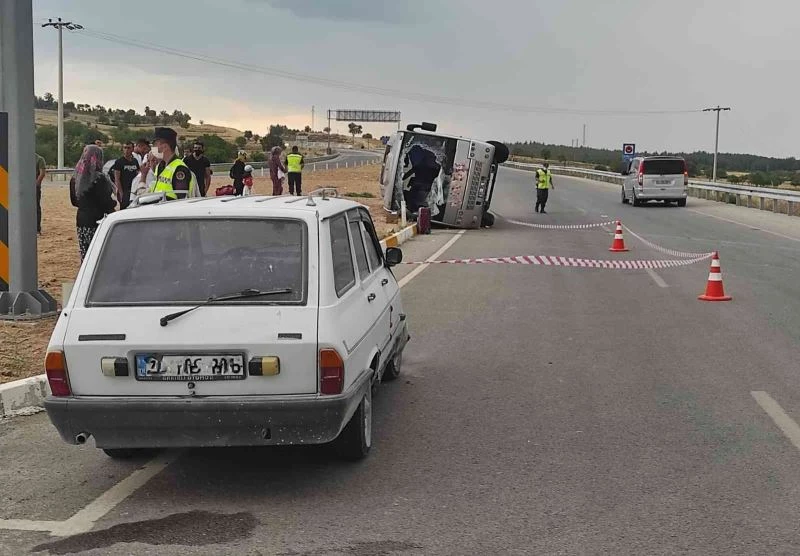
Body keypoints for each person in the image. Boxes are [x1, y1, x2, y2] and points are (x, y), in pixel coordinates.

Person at [69, 145, 116, 260]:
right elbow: (105, 203)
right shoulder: (99, 179)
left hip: (82, 219)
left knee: (85, 253)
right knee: (98, 254)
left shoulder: (75, 178)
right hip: (97, 220)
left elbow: (74, 201)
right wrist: (113, 205)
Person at [148, 127, 199, 200]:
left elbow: (181, 200)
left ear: (164, 147)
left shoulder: (179, 169)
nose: (153, 148)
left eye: (155, 145)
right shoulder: (160, 166)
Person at [402, 145, 441, 214]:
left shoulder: (434, 169)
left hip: (425, 186)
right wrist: (402, 179)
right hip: (422, 185)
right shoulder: (421, 166)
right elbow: (412, 171)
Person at [112, 141, 140, 209]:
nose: (127, 150)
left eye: (129, 148)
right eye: (125, 148)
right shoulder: (119, 162)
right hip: (124, 190)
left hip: (133, 190)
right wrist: (121, 193)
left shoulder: (135, 161)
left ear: (132, 149)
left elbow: (138, 175)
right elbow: (117, 179)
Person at [35, 152, 46, 234]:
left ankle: (37, 228)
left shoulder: (39, 159)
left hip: (34, 187)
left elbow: (42, 173)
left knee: (36, 207)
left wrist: (37, 184)